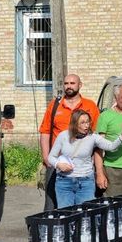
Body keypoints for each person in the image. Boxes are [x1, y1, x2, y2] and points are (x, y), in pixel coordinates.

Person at [39, 74, 100, 210]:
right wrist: (46, 158)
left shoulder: (90, 105)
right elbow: (45, 131)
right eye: (66, 83)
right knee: (51, 201)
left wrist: (94, 162)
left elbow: (96, 135)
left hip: (82, 163)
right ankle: (53, 229)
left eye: (72, 83)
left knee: (83, 204)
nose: (69, 86)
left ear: (80, 85)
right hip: (57, 161)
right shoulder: (55, 105)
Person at [47, 110, 122, 207]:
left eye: (88, 122)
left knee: (85, 213)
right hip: (64, 182)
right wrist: (58, 164)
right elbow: (51, 157)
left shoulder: (93, 137)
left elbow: (111, 146)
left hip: (85, 182)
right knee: (66, 214)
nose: (86, 125)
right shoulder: (63, 136)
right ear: (74, 124)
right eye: (82, 123)